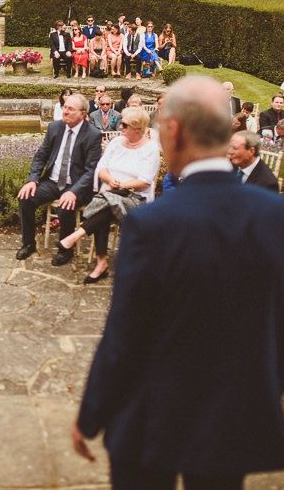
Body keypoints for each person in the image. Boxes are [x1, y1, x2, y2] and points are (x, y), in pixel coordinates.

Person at [72, 75, 284, 490]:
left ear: (173, 131)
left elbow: (126, 333)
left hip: (154, 414)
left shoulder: (153, 223)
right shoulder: (273, 214)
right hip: (233, 413)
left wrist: (91, 413)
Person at [60, 107, 160, 283]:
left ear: (137, 129)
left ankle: (80, 240)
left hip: (136, 198)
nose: (120, 127)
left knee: (104, 205)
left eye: (124, 125)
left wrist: (122, 185)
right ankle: (100, 262)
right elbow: (101, 168)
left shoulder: (150, 149)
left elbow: (145, 181)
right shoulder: (116, 143)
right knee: (107, 206)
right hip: (111, 193)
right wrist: (110, 180)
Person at [16, 93, 102, 264]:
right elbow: (41, 156)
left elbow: (91, 170)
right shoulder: (55, 127)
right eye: (64, 107)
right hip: (53, 182)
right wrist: (33, 180)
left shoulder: (93, 135)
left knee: (66, 205)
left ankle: (65, 250)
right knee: (25, 198)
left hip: (77, 184)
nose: (65, 112)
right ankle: (28, 244)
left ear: (83, 113)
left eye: (71, 109)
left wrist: (74, 192)